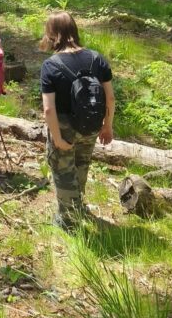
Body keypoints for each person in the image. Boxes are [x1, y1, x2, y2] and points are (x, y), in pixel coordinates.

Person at [39, 12, 115, 229]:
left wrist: (56, 137)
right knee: (81, 166)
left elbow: (48, 109)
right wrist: (107, 126)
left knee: (63, 171)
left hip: (64, 127)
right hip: (91, 124)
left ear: (52, 34)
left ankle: (68, 221)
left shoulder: (51, 66)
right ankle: (77, 206)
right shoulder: (96, 58)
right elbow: (109, 96)